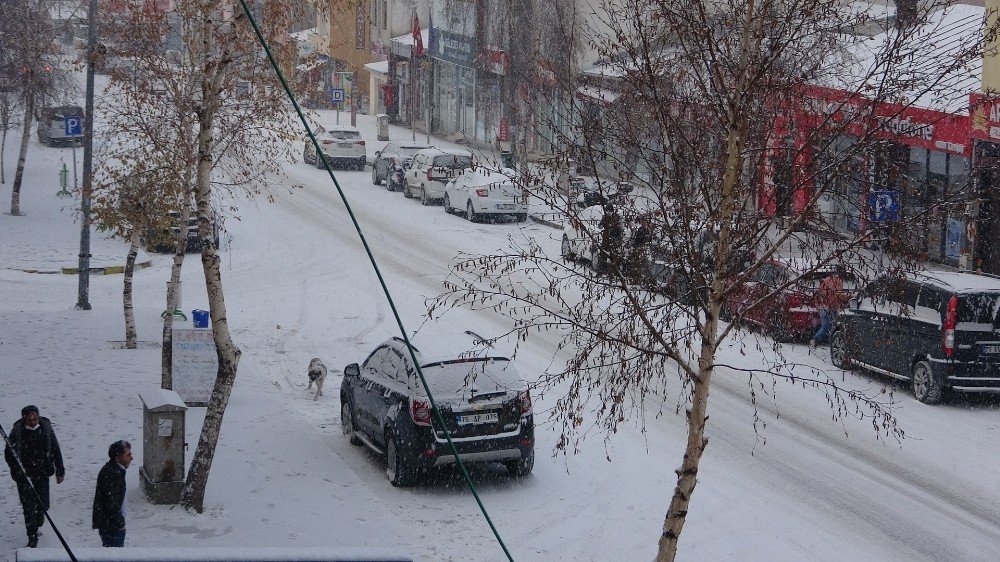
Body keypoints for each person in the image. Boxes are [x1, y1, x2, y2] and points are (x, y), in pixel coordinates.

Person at [4, 405, 65, 548]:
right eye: (29, 418)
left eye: (34, 418)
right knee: (28, 507)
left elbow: (55, 448)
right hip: (24, 477)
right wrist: (17, 470)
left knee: (44, 504)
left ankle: (39, 517)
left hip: (42, 475)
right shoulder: (17, 431)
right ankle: (32, 536)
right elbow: (9, 454)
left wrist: (60, 470)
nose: (32, 421)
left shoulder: (46, 429)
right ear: (24, 418)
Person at [93, 440, 132, 547]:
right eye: (128, 455)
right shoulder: (112, 474)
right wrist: (120, 522)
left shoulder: (114, 470)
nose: (131, 458)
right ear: (117, 457)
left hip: (110, 525)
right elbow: (111, 504)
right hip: (112, 527)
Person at [813, 269, 846, 347]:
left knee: (825, 326)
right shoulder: (838, 281)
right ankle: (829, 341)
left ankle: (817, 339)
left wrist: (818, 306)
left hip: (822, 307)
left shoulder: (824, 281)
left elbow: (818, 294)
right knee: (832, 326)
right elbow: (838, 295)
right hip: (832, 308)